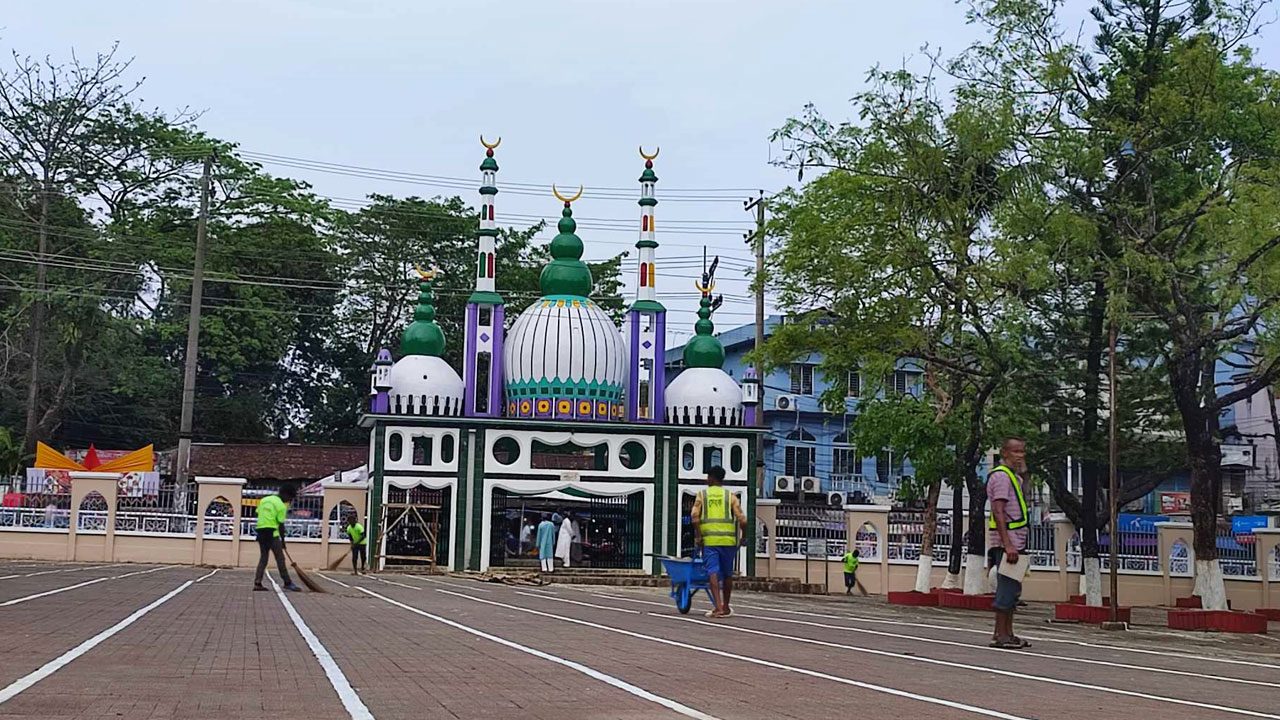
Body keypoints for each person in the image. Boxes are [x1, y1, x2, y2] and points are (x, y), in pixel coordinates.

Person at [988, 437, 1031, 648]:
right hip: (1008, 542)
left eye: (1022, 452)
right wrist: (1008, 545)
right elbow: (998, 511)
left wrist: (1024, 472)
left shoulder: (1014, 477)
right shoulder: (1002, 477)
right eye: (1016, 452)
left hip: (1017, 540)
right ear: (1004, 453)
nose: (1020, 456)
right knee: (1006, 589)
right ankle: (1000, 634)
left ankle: (1007, 633)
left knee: (1013, 589)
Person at [691, 465, 747, 618]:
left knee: (712, 572)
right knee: (728, 574)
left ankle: (717, 607)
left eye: (707, 476)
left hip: (710, 541)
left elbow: (695, 517)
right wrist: (743, 537)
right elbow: (743, 520)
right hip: (728, 542)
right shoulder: (730, 496)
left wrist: (699, 536)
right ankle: (726, 606)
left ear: (711, 478)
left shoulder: (702, 495)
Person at [254, 484, 301, 592]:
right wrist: (283, 541)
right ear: (286, 494)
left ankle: (257, 583)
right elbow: (281, 525)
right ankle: (287, 582)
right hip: (272, 533)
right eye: (289, 498)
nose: (289, 501)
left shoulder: (264, 500)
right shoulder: (281, 506)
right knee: (280, 559)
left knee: (263, 558)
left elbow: (257, 513)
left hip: (260, 531)